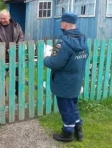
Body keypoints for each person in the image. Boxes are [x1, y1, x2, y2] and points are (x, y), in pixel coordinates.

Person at [44, 12, 89, 142]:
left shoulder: (63, 42)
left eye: (61, 22)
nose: (60, 24)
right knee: (72, 105)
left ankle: (67, 133)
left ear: (65, 23)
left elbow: (55, 63)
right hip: (76, 79)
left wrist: (46, 58)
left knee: (65, 108)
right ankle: (78, 129)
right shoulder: (83, 39)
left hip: (64, 81)